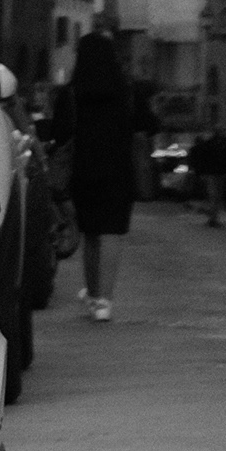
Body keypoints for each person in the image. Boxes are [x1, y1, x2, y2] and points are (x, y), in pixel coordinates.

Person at [62, 30, 143, 323]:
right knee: (111, 233)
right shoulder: (123, 91)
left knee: (91, 233)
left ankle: (94, 294)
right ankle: (105, 301)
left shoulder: (72, 93)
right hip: (117, 169)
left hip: (83, 169)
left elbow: (60, 134)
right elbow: (138, 125)